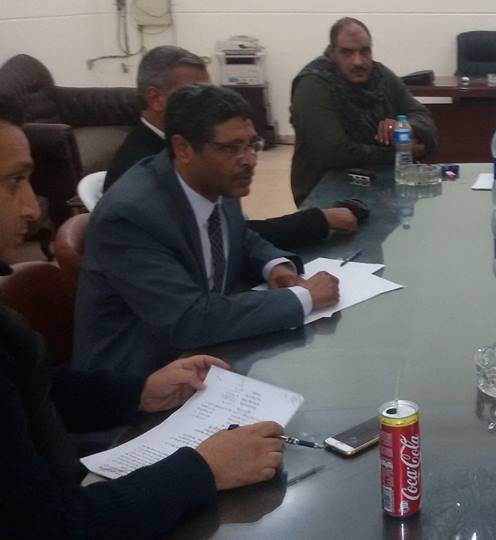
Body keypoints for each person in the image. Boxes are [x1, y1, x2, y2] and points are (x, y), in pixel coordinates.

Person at [0, 94, 285, 538]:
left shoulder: (217, 186)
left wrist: (140, 392)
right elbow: (51, 527)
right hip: (91, 466)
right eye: (14, 181)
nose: (33, 208)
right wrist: (202, 469)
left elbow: (37, 387)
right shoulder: (133, 209)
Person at [74, 84, 340, 377]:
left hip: (209, 349)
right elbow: (189, 320)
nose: (249, 160)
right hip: (139, 375)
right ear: (183, 149)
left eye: (251, 145)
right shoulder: (130, 216)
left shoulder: (216, 181)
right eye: (230, 148)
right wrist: (303, 298)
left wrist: (274, 265)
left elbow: (239, 236)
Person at [105, 45, 357, 249]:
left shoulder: (202, 149)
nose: (207, 104)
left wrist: (272, 264)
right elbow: (222, 240)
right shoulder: (138, 175)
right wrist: (316, 221)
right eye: (193, 93)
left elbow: (232, 229)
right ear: (155, 98)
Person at [290, 17, 439, 205]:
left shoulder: (380, 75)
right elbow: (334, 153)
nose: (358, 61)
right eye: (347, 52)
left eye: (365, 51)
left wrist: (404, 126)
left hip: (383, 186)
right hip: (326, 192)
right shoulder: (313, 84)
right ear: (332, 52)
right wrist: (401, 152)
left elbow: (424, 119)